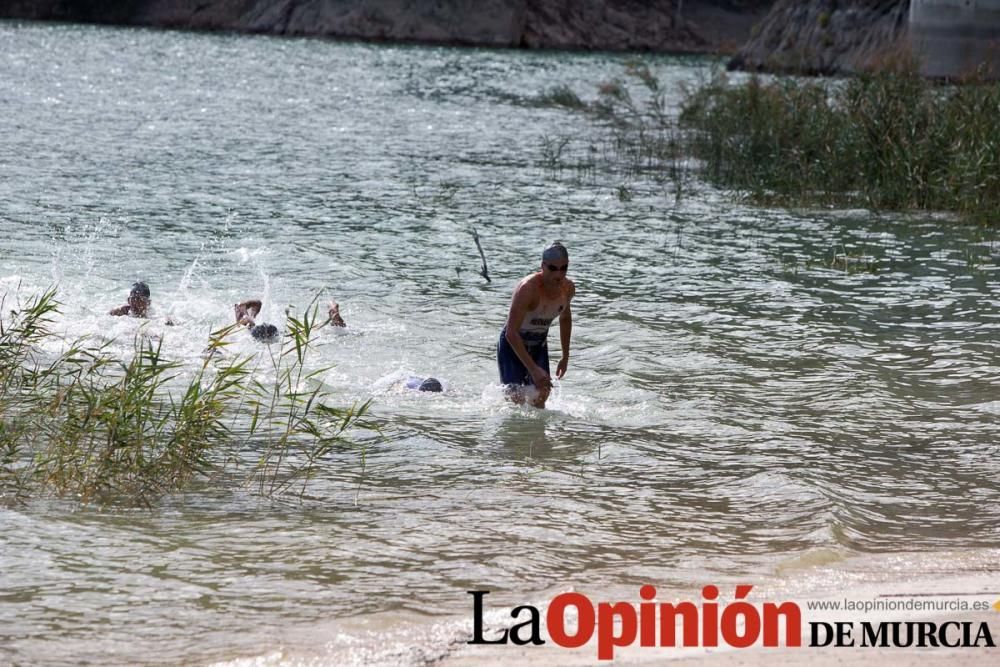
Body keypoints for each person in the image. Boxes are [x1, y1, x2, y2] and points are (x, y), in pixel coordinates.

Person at [497, 241, 575, 408]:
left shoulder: (568, 288)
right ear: (543, 266)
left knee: (542, 396)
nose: (558, 274)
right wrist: (533, 369)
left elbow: (565, 319)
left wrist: (565, 356)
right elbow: (511, 332)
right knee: (515, 402)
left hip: (539, 343)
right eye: (553, 268)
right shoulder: (528, 289)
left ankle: (539, 433)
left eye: (564, 268)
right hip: (513, 344)